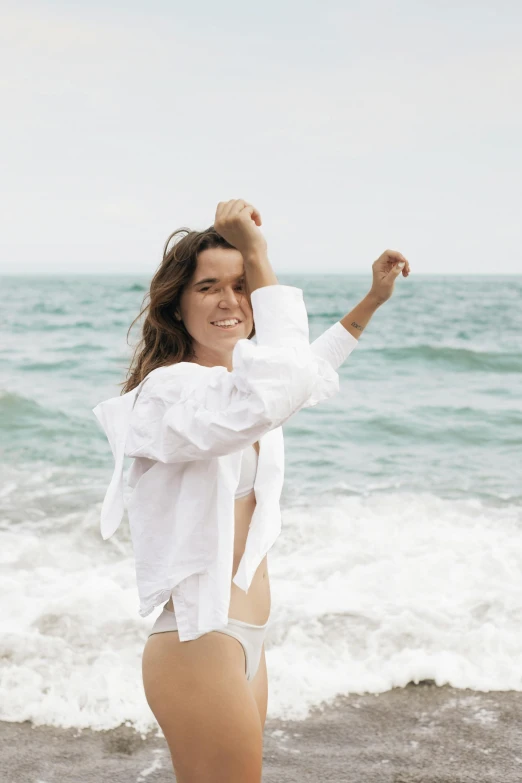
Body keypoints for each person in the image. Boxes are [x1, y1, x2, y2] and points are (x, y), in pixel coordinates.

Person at [92, 198, 410, 782]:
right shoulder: (170, 393)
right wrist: (260, 254)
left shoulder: (235, 390)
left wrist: (370, 302)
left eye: (242, 286)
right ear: (177, 304)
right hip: (200, 641)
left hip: (243, 641)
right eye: (209, 286)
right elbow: (278, 387)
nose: (231, 300)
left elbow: (301, 378)